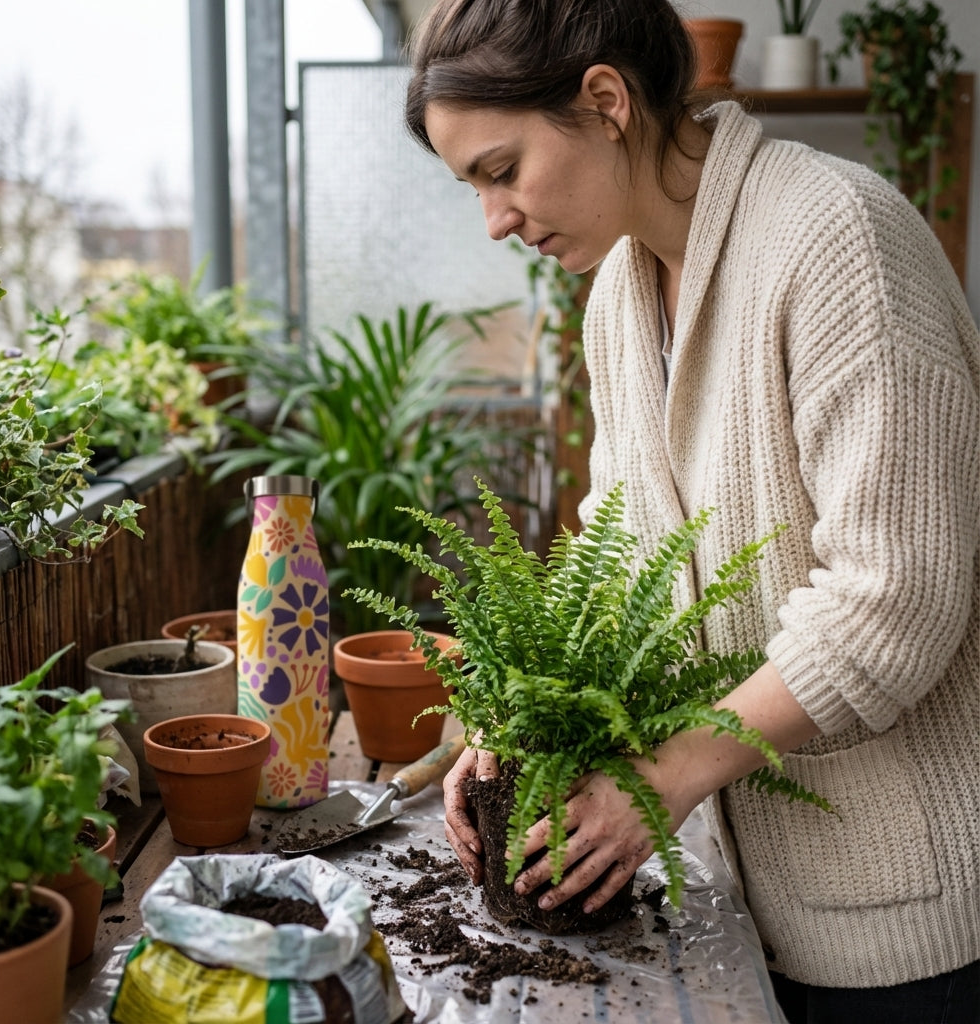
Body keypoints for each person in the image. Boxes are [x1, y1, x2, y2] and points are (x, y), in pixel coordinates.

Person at [403, 1, 980, 1021]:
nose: (494, 219)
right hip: (748, 897)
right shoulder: (618, 293)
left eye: (502, 170)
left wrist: (659, 779)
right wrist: (511, 723)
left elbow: (894, 598)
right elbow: (621, 564)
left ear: (605, 100)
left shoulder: (836, 237)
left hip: (912, 928)